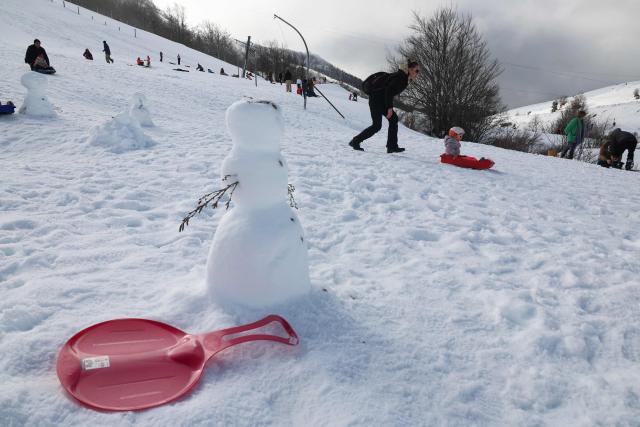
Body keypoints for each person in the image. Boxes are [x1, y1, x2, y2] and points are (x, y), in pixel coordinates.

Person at [349, 60, 420, 153]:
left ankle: (392, 146)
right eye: (416, 71)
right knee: (377, 125)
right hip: (376, 100)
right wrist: (390, 108)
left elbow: (389, 90)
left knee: (393, 119)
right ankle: (355, 141)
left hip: (381, 100)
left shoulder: (402, 77)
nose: (417, 74)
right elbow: (389, 91)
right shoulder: (401, 77)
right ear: (410, 69)